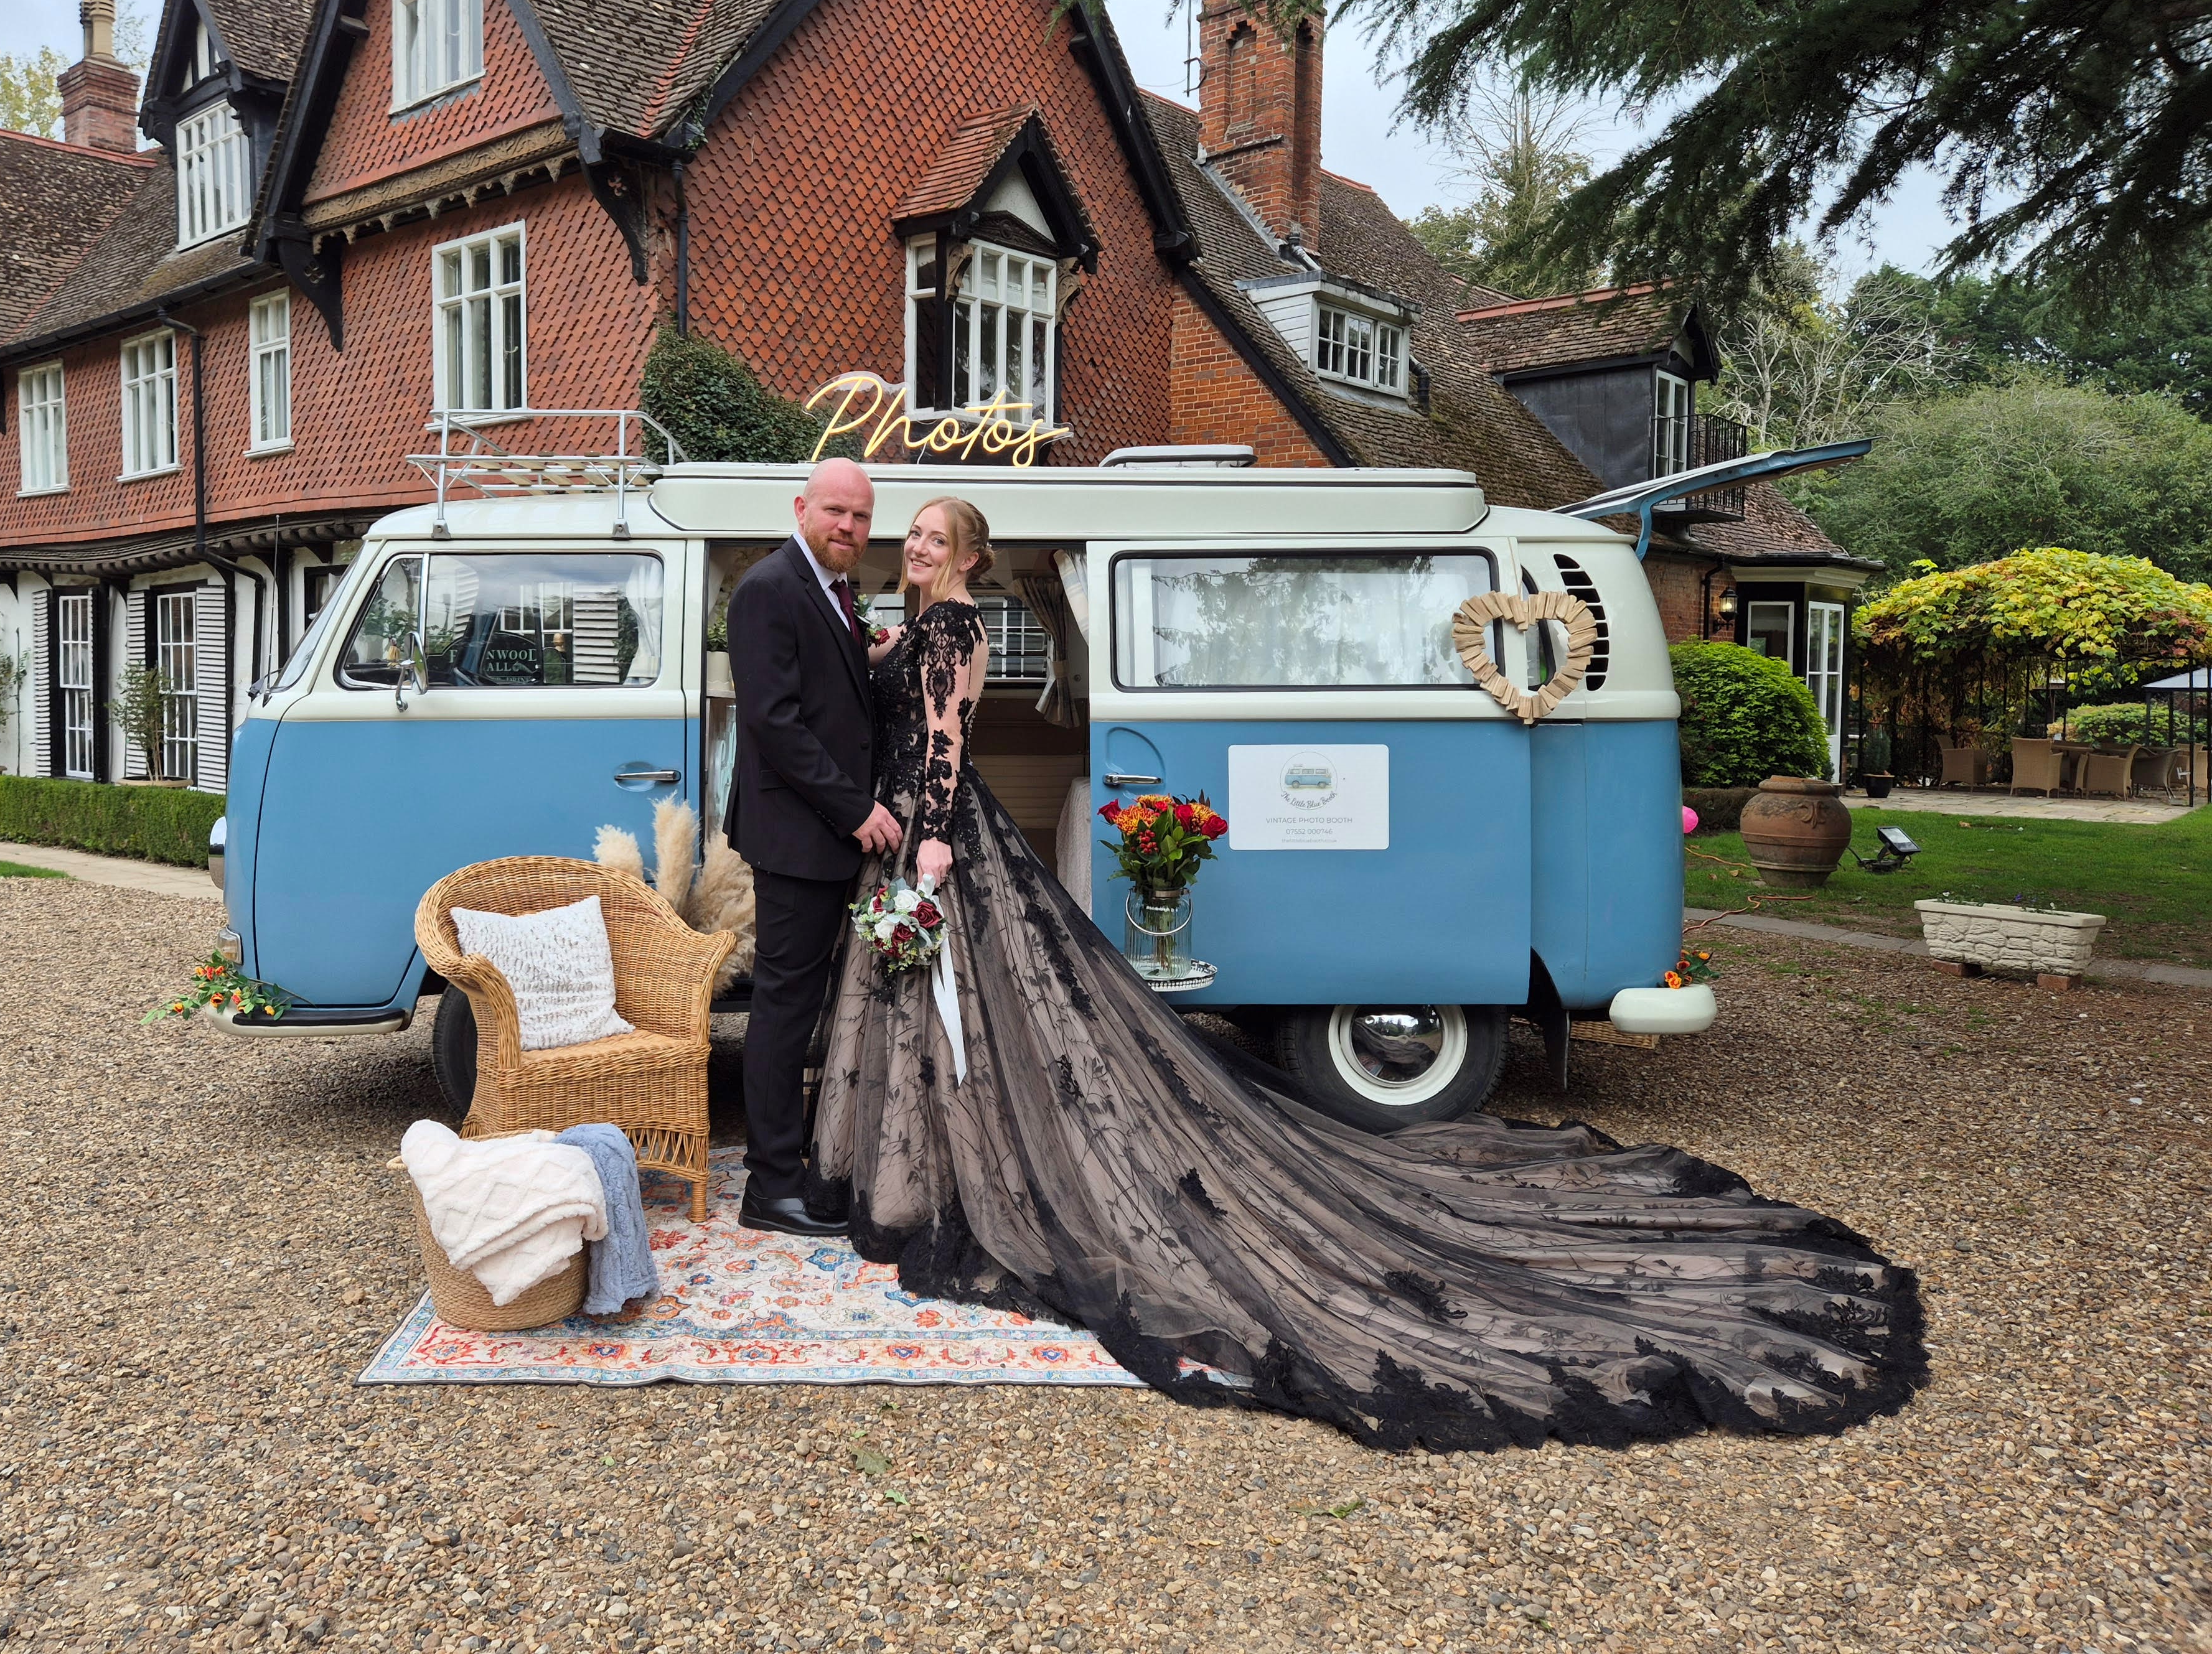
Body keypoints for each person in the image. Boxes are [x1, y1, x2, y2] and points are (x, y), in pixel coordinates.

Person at [805, 496, 1928, 1452]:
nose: (916, 545)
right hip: (917, 821)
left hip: (934, 832)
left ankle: (938, 1165)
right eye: (910, 534)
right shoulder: (924, 623)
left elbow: (945, 742)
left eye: (933, 535)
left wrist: (934, 838)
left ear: (968, 553)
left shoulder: (954, 626)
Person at [721, 458, 902, 1237]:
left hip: (817, 834)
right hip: (798, 836)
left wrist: (868, 655)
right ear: (801, 509)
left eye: (860, 517)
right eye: (835, 512)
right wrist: (854, 808)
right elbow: (774, 720)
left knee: (801, 1003)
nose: (848, 527)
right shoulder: (768, 587)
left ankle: (791, 1163)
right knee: (784, 1008)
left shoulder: (833, 588)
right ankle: (770, 1187)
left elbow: (823, 691)